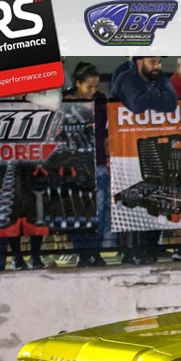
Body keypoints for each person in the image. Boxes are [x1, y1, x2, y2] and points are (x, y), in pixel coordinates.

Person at [110, 56, 181, 263]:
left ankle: (150, 246)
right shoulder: (125, 78)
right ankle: (130, 249)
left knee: (156, 193)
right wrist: (156, 95)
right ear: (139, 61)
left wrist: (151, 95)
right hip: (123, 149)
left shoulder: (162, 78)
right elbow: (136, 105)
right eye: (152, 62)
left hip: (150, 147)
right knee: (133, 201)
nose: (157, 66)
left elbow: (171, 103)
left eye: (159, 62)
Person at [64, 62, 109, 267]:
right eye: (89, 87)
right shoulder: (64, 101)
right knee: (77, 210)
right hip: (72, 164)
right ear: (78, 84)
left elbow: (107, 132)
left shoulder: (100, 100)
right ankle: (82, 252)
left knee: (99, 209)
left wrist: (108, 157)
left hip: (97, 161)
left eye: (96, 86)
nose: (93, 91)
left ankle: (95, 250)